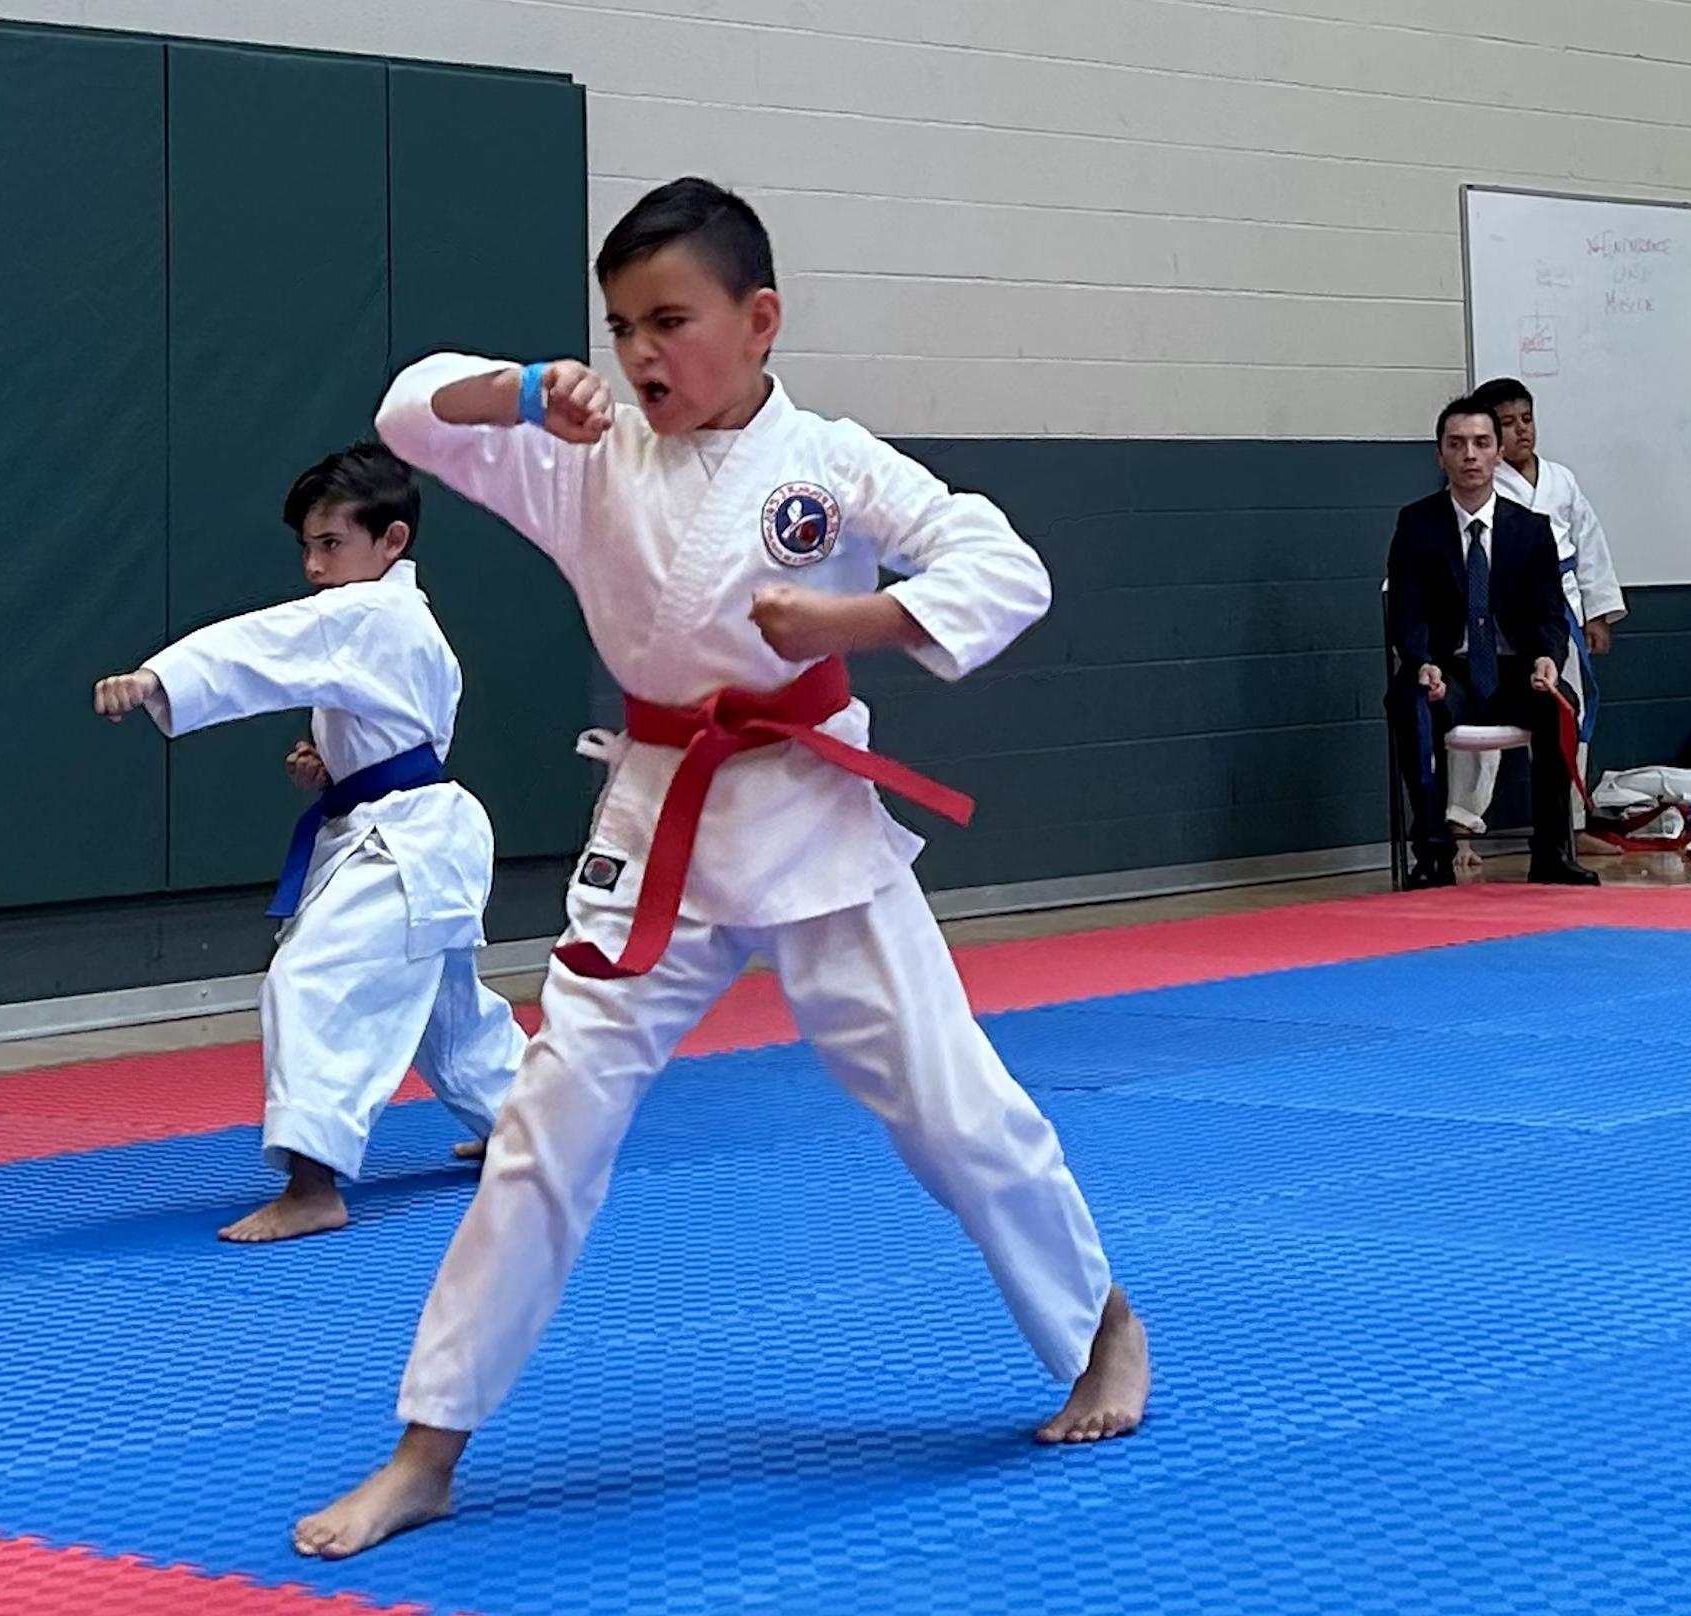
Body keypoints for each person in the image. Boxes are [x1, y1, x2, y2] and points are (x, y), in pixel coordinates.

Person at [292, 176, 1148, 1562]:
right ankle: (429, 1445)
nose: (640, 355)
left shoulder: (837, 462)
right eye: (621, 325)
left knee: (948, 1103)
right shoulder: (584, 454)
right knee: (545, 1133)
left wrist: (852, 617)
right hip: (656, 829)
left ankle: (1101, 1325)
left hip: (810, 814)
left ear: (760, 322)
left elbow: (1007, 567)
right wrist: (522, 390)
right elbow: (405, 411)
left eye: (670, 322)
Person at [94, 442, 525, 1242]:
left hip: (402, 845)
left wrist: (160, 679)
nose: (316, 568)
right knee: (445, 1008)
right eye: (308, 548)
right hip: (421, 830)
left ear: (391, 541)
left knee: (310, 981)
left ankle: (313, 1184)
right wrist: (337, 763)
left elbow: (265, 645)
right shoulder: (402, 618)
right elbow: (408, 728)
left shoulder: (364, 614)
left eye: (332, 545)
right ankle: (536, 1127)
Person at [1385, 396, 1596, 890]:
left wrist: (1549, 658)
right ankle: (1432, 850)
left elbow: (1550, 611)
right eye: (1456, 445)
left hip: (1514, 667)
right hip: (1448, 669)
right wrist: (1419, 662)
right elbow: (1407, 609)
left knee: (1558, 705)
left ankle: (1551, 850)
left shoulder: (1531, 529)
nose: (1470, 455)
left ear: (1498, 452)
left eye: (1482, 443)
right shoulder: (1417, 524)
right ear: (1441, 456)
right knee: (1408, 702)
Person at [1443, 377, 1625, 844]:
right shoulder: (1483, 485)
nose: (1521, 431)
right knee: (1477, 716)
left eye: (1527, 419)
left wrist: (1597, 613)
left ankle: (1569, 824)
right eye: (1507, 423)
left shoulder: (1561, 478)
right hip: (1498, 613)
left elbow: (1590, 544)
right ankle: (1461, 821)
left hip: (1558, 608)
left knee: (1569, 708)